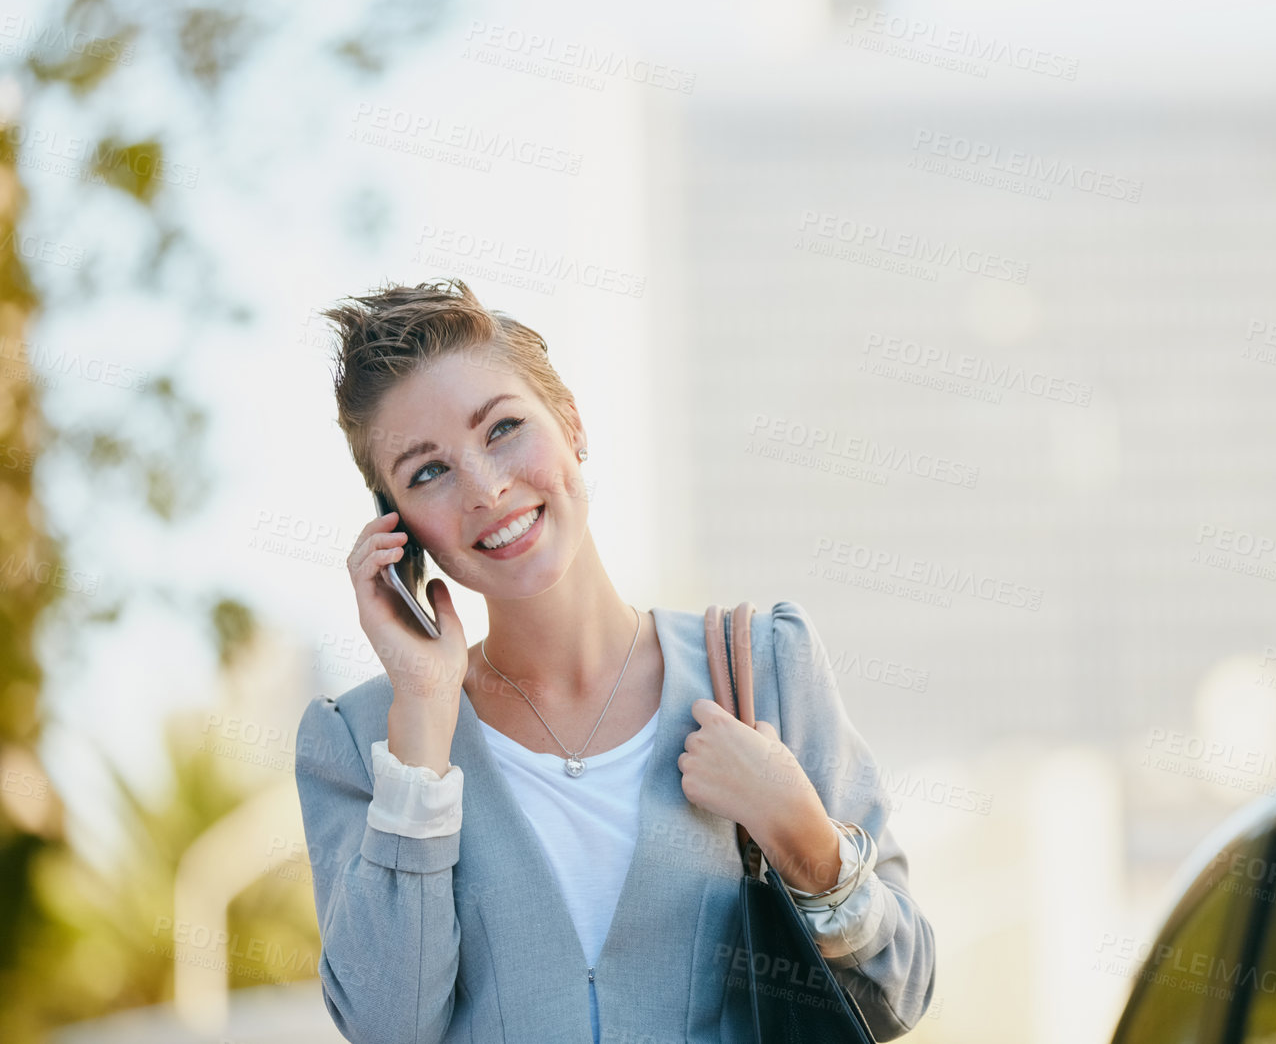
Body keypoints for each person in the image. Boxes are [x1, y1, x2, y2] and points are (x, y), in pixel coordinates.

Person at [294, 278, 935, 1043]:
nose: (487, 488)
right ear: (397, 527)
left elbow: (901, 991)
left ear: (570, 422)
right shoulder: (361, 743)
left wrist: (800, 834)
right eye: (428, 471)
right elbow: (389, 1027)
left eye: (501, 429)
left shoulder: (762, 668)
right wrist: (424, 726)